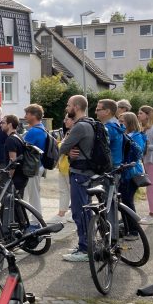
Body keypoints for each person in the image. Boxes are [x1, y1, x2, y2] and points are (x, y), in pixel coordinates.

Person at [59, 95, 95, 262]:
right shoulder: (90, 122)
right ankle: (86, 244)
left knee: (80, 211)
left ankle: (85, 249)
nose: (67, 109)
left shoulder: (79, 126)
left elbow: (62, 146)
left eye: (68, 106)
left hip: (80, 174)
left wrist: (65, 148)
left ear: (76, 107)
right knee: (85, 210)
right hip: (87, 172)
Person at [21, 104, 47, 229]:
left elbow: (22, 147)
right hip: (38, 166)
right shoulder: (41, 128)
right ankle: (29, 220)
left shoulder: (34, 131)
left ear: (34, 115)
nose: (25, 116)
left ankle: (36, 223)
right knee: (30, 194)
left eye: (27, 114)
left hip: (33, 168)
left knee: (33, 196)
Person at [48, 115, 74, 224]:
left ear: (73, 121)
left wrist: (59, 146)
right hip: (62, 166)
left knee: (72, 192)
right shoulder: (68, 133)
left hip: (69, 167)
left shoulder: (74, 133)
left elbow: (63, 149)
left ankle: (74, 213)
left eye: (67, 119)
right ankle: (61, 213)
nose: (64, 121)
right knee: (63, 191)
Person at [119, 112, 146, 213]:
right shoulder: (124, 135)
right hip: (124, 171)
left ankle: (134, 226)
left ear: (129, 123)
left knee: (127, 201)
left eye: (122, 121)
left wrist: (127, 138)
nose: (119, 124)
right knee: (124, 200)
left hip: (131, 173)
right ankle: (127, 224)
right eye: (119, 121)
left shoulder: (136, 136)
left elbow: (138, 153)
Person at [2, 114, 28, 195]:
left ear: (9, 125)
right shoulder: (18, 136)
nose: (1, 125)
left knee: (13, 205)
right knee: (17, 205)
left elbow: (12, 161)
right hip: (21, 176)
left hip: (16, 178)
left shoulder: (11, 140)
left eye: (3, 123)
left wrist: (9, 179)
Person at [96, 99, 124, 168]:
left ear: (107, 111)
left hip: (108, 169)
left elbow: (97, 148)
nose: (95, 112)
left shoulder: (108, 128)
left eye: (98, 110)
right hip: (115, 167)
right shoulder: (115, 125)